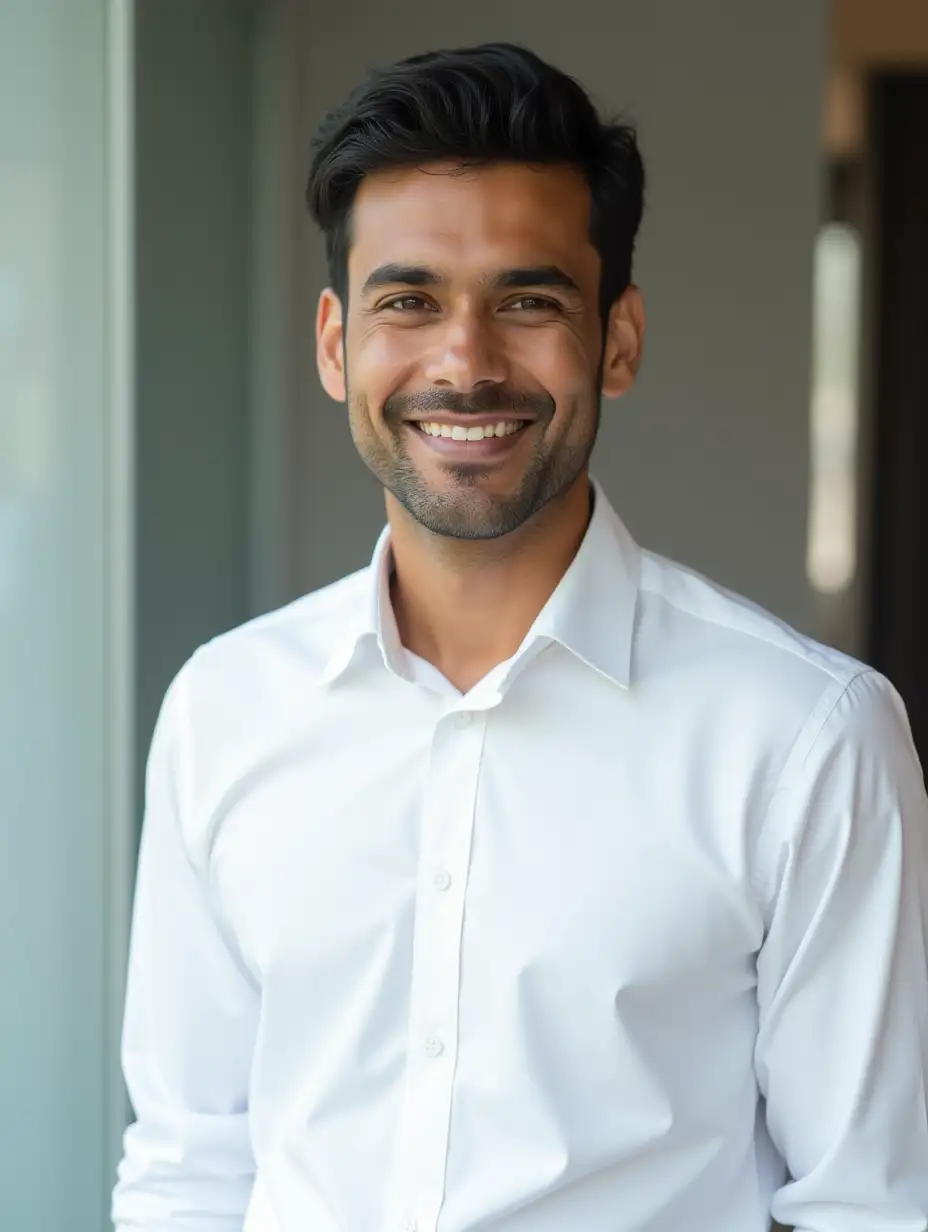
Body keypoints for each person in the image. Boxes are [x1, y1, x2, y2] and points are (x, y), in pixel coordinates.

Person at [112, 41, 928, 1232]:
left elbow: (871, 1203)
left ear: (618, 338)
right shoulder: (224, 709)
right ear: (337, 344)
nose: (465, 361)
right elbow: (189, 1167)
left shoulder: (805, 737)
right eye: (410, 300)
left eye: (527, 300)